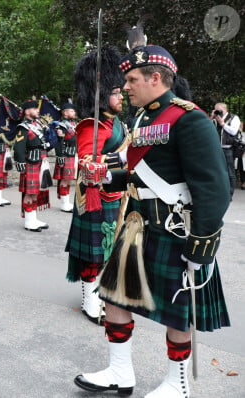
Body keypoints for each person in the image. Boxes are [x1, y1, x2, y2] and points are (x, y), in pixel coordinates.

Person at [74, 45, 231, 398]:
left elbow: (216, 189)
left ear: (155, 78)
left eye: (131, 80)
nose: (125, 87)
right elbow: (133, 174)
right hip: (137, 226)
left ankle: (177, 384)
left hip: (177, 230)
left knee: (178, 313)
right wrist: (103, 174)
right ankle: (119, 372)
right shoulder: (141, 119)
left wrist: (202, 247)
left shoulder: (189, 119)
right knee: (115, 297)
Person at [65, 47, 128, 325]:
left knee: (109, 251)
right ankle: (90, 300)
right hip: (95, 197)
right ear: (102, 96)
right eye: (116, 92)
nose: (121, 95)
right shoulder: (90, 126)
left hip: (116, 196)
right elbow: (88, 165)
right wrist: (120, 159)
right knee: (94, 252)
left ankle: (102, 293)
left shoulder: (119, 125)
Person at [14, 99, 51, 231]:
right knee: (29, 193)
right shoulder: (23, 127)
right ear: (27, 111)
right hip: (30, 162)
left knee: (36, 192)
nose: (37, 110)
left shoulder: (39, 125)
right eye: (35, 108)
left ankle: (34, 218)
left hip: (41, 161)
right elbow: (18, 147)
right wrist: (20, 163)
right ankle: (29, 221)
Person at [53, 102, 78, 212]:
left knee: (68, 180)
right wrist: (60, 157)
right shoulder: (62, 126)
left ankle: (66, 202)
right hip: (66, 155)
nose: (74, 113)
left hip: (73, 155)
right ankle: (64, 204)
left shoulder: (74, 124)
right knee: (65, 180)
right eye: (72, 111)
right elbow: (59, 143)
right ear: (65, 113)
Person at [212, 102, 241, 198]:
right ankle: (219, 193)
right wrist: (211, 118)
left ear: (225, 110)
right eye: (216, 110)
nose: (218, 112)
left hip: (228, 149)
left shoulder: (233, 118)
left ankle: (229, 194)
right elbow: (207, 128)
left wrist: (222, 124)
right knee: (216, 171)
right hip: (216, 148)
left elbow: (233, 131)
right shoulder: (215, 119)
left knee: (230, 172)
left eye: (219, 110)